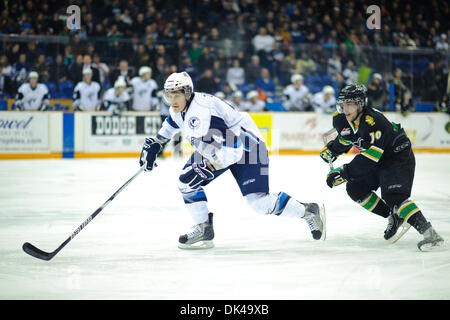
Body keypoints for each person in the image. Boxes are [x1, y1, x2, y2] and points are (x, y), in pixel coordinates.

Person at [139, 72, 326, 249]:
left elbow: (234, 149)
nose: (172, 101)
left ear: (187, 93)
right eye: (169, 96)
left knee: (259, 203)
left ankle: (308, 211)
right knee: (186, 182)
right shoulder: (180, 108)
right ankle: (203, 228)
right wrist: (157, 143)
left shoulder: (203, 113)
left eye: (176, 96)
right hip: (216, 147)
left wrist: (209, 165)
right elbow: (171, 125)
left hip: (248, 147)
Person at [320, 84, 444, 251]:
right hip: (378, 158)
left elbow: (371, 158)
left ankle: (431, 234)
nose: (345, 108)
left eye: (350, 104)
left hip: (396, 155)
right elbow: (346, 138)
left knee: (394, 196)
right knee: (355, 188)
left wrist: (344, 172)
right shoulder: (340, 118)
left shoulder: (374, 121)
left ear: (361, 104)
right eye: (343, 104)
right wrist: (333, 150)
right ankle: (393, 216)